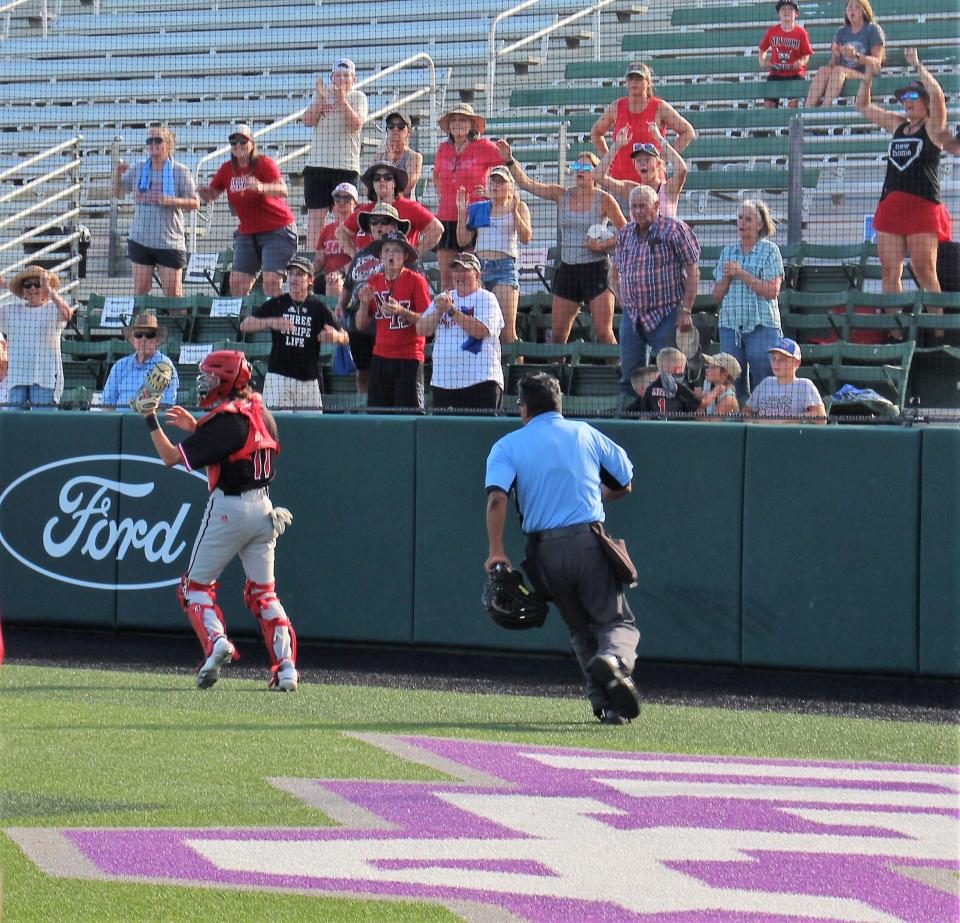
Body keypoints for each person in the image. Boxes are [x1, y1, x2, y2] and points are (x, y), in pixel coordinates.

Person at [136, 349, 299, 691]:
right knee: (264, 594)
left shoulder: (224, 420)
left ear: (227, 380)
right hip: (265, 510)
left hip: (229, 509)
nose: (205, 382)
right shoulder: (261, 410)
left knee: (193, 588)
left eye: (211, 377)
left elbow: (169, 457)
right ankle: (286, 669)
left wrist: (149, 417)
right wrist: (196, 428)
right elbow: (237, 444)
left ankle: (217, 643)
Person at [485, 371, 640, 725]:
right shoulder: (584, 432)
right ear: (560, 403)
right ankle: (614, 660)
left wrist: (496, 551)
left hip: (543, 553)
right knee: (616, 621)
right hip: (587, 541)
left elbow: (497, 498)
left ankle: (604, 705)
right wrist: (593, 498)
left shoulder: (508, 444)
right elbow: (625, 482)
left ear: (523, 408)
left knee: (579, 629)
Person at [498, 141, 626, 345]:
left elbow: (626, 232)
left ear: (596, 172)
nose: (580, 171)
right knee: (558, 334)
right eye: (577, 167)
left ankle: (619, 373)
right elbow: (528, 184)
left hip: (597, 269)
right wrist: (509, 160)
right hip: (568, 270)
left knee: (603, 331)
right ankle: (558, 375)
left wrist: (603, 245)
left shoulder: (604, 200)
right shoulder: (562, 194)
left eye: (585, 167)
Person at [857, 51, 952, 297]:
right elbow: (864, 106)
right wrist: (868, 77)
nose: (907, 102)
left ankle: (938, 332)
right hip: (891, 207)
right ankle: (893, 329)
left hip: (922, 206)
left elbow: (938, 95)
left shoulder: (932, 128)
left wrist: (918, 65)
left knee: (924, 271)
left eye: (913, 97)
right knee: (890, 272)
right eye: (904, 98)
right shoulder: (899, 125)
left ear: (925, 102)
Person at [611, 185, 700, 396]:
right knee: (629, 376)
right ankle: (631, 421)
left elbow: (693, 271)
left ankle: (674, 421)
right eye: (634, 207)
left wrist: (686, 310)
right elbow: (614, 272)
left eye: (643, 206)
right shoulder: (625, 234)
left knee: (672, 376)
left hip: (667, 314)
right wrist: (622, 299)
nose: (638, 211)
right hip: (632, 317)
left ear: (657, 205)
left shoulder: (674, 229)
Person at [199, 124, 298, 298]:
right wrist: (204, 192)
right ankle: (243, 322)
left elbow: (282, 189)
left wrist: (260, 187)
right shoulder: (227, 169)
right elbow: (212, 195)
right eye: (234, 142)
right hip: (248, 232)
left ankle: (277, 322)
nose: (238, 145)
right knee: (236, 283)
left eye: (242, 141)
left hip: (277, 229)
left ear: (252, 143)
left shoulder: (263, 163)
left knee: (271, 282)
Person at [239, 255, 347, 410]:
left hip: (308, 381)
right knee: (278, 428)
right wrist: (272, 322)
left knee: (312, 429)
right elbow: (245, 325)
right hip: (278, 378)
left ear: (310, 280)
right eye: (291, 273)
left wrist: (336, 337)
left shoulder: (318, 307)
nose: (294, 278)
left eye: (300, 274)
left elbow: (346, 336)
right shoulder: (277, 303)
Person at [111, 126, 199, 297]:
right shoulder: (139, 169)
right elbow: (116, 193)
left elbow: (195, 203)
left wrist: (170, 201)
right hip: (141, 239)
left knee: (173, 295)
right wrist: (117, 173)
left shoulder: (180, 171)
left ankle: (176, 323)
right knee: (140, 293)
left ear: (168, 144)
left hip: (169, 242)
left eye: (158, 140)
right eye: (149, 141)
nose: (153, 144)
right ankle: (143, 324)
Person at [712, 199, 785, 399]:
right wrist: (727, 277)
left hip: (762, 324)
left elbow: (772, 291)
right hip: (730, 325)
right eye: (740, 218)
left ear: (760, 225)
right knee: (731, 381)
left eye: (748, 219)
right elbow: (717, 295)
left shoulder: (770, 251)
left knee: (765, 376)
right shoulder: (727, 252)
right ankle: (735, 419)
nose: (742, 223)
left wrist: (742, 273)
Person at [416, 252, 504, 411]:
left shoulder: (487, 298)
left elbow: (480, 330)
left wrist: (451, 310)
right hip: (444, 382)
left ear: (477, 274)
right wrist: (438, 311)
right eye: (456, 270)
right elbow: (421, 329)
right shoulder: (444, 297)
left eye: (464, 270)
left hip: (480, 381)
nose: (459, 275)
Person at [455, 165, 532, 344]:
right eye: (493, 181)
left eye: (501, 182)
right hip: (480, 268)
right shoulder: (479, 208)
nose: (496, 185)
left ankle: (515, 370)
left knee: (506, 332)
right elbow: (462, 240)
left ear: (511, 187)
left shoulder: (519, 207)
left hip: (504, 267)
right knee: (479, 327)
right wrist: (461, 212)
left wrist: (513, 212)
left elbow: (526, 237)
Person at [356, 231, 432, 411]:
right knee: (378, 415)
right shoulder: (374, 281)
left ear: (405, 256)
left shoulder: (416, 281)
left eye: (396, 250)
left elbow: (428, 322)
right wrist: (364, 304)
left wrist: (402, 311)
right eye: (387, 250)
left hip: (409, 358)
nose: (391, 254)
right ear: (381, 256)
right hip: (380, 357)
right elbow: (360, 324)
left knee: (408, 415)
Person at [337, 201, 407, 395]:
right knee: (363, 373)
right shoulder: (360, 256)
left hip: (387, 324)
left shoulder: (403, 254)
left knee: (388, 375)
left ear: (395, 226)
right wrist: (341, 304)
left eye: (384, 221)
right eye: (374, 222)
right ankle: (363, 414)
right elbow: (348, 285)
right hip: (360, 325)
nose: (379, 226)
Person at [302, 58, 368, 264]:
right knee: (315, 217)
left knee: (346, 215)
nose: (341, 80)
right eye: (337, 76)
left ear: (353, 79)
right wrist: (320, 99)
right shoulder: (321, 95)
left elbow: (356, 124)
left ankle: (349, 259)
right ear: (331, 78)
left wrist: (342, 100)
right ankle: (314, 262)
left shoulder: (358, 97)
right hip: (318, 164)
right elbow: (308, 121)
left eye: (345, 76)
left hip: (345, 165)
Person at [433, 103, 504, 290]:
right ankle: (447, 318)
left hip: (474, 215)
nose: (458, 124)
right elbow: (436, 175)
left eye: (463, 120)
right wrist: (442, 195)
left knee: (472, 276)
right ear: (448, 126)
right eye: (454, 120)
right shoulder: (443, 149)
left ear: (472, 125)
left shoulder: (484, 146)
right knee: (447, 278)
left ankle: (472, 316)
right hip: (447, 216)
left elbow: (508, 166)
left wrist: (491, 193)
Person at [590, 62, 695, 183]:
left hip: (652, 182)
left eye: (639, 78)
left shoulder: (659, 107)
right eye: (631, 78)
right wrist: (607, 156)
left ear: (648, 82)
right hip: (620, 181)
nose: (634, 82)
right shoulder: (617, 107)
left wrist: (665, 157)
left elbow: (688, 131)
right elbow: (596, 132)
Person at [339, 159, 442, 259]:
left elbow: (437, 229)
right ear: (373, 184)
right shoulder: (364, 211)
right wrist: (354, 256)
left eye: (388, 177)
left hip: (400, 269)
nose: (382, 180)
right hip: (368, 271)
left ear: (395, 183)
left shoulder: (410, 207)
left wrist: (414, 254)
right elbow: (340, 232)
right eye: (377, 178)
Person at [0, 266, 73, 408]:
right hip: (17, 377)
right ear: (22, 290)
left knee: (44, 425)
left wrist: (49, 290)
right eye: (27, 285)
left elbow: (68, 314)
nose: (32, 288)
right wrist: (4, 285)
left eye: (37, 284)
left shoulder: (53, 308)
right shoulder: (10, 310)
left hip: (44, 377)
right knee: (14, 424)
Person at [596, 122, 687, 218]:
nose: (642, 163)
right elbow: (598, 177)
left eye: (647, 160)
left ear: (658, 164)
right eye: (639, 160)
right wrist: (616, 146)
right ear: (634, 165)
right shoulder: (632, 189)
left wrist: (659, 139)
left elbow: (682, 169)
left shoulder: (668, 189)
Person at [804, 0, 884, 108]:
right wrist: (836, 55)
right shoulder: (842, 31)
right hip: (843, 75)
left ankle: (825, 107)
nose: (852, 9)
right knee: (824, 70)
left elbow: (877, 63)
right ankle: (806, 110)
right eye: (849, 7)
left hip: (866, 75)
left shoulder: (873, 29)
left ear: (864, 11)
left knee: (839, 70)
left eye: (856, 7)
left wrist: (856, 56)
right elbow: (833, 64)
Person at [101, 312, 179, 410]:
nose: (143, 339)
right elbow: (107, 405)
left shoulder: (165, 366)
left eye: (149, 335)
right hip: (120, 421)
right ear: (132, 340)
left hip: (149, 421)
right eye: (138, 335)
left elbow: (167, 406)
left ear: (157, 340)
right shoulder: (119, 365)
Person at [743, 337, 826, 421]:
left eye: (782, 360)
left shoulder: (804, 385)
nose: (776, 363)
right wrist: (758, 422)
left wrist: (786, 422)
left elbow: (821, 417)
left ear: (796, 363)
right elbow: (745, 412)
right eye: (774, 359)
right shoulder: (766, 383)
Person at [758, 0, 813, 109]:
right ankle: (771, 126)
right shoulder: (772, 31)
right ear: (778, 13)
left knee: (792, 105)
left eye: (790, 9)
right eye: (783, 9)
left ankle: (791, 125)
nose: (786, 11)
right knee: (769, 105)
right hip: (776, 72)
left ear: (796, 14)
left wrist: (801, 62)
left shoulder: (801, 33)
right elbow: (762, 49)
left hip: (794, 74)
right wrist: (762, 61)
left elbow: (806, 55)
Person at [315, 181, 357, 295]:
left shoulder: (359, 229)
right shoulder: (327, 230)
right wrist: (304, 272)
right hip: (329, 276)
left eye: (347, 198)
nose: (341, 201)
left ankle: (337, 313)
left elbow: (361, 259)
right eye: (337, 197)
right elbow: (319, 261)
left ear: (355, 203)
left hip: (351, 276)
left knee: (334, 283)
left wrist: (340, 271)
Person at [635, 347, 700, 418]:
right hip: (677, 427)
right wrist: (704, 396)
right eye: (683, 367)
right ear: (678, 369)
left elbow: (644, 412)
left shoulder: (650, 389)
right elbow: (698, 406)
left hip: (655, 426)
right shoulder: (680, 388)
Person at [375, 111, 423, 199]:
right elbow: (368, 189)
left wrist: (390, 164)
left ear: (409, 132)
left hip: (405, 207)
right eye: (391, 126)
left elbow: (407, 187)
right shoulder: (378, 157)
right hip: (383, 207)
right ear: (387, 130)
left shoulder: (415, 157)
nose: (395, 129)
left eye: (401, 126)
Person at [699, 353, 742, 418]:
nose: (707, 370)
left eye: (712, 367)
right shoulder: (713, 392)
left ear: (726, 372)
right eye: (708, 366)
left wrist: (698, 405)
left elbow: (711, 425)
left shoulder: (729, 399)